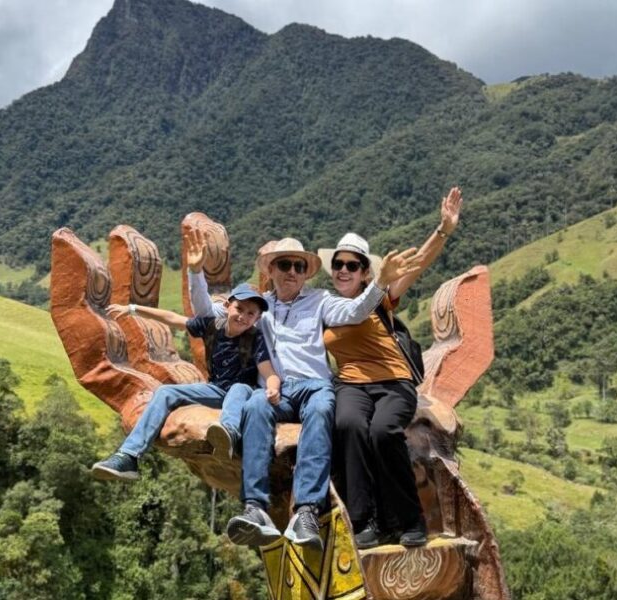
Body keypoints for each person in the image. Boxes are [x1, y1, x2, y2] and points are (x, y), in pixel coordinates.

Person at [188, 232, 420, 551]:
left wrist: (379, 283)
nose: (292, 271)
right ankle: (255, 508)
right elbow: (207, 313)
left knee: (324, 408)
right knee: (255, 407)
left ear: (305, 272)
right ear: (271, 270)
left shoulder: (321, 300)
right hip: (275, 389)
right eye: (285, 264)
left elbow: (354, 312)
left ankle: (307, 511)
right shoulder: (258, 306)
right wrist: (195, 273)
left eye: (299, 266)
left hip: (314, 385)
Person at [319, 186, 463, 549]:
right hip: (350, 384)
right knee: (349, 425)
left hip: (393, 381)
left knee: (384, 431)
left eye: (352, 265)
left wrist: (443, 228)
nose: (343, 270)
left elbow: (419, 263)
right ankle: (363, 521)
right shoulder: (325, 308)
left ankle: (408, 518)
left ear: (366, 272)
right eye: (338, 264)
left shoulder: (380, 297)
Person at [91, 267, 281, 480]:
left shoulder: (255, 338)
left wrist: (273, 388)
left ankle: (228, 435)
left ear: (256, 319)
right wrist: (133, 308)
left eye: (251, 314)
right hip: (216, 390)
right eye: (240, 308)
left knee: (238, 388)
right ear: (228, 306)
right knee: (165, 392)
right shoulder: (211, 326)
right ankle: (129, 456)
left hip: (242, 392)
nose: (243, 316)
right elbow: (173, 319)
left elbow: (269, 371)